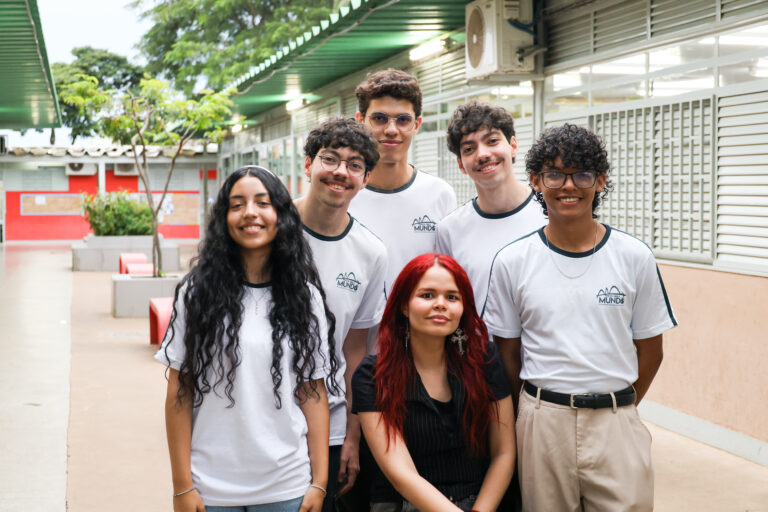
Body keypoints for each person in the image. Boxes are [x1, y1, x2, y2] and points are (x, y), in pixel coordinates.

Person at [484, 124, 678, 511]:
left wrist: (616, 407)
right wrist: (534, 415)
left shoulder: (633, 256)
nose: (568, 186)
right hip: (543, 422)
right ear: (536, 181)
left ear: (600, 181)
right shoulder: (512, 261)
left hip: (616, 421)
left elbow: (651, 352)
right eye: (555, 174)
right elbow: (507, 355)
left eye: (582, 174)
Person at [156, 166, 339, 512]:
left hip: (286, 486)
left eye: (262, 203)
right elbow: (180, 393)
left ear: (281, 215)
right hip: (211, 488)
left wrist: (319, 482)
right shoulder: (197, 294)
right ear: (223, 219)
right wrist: (182, 486)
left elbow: (313, 393)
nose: (250, 213)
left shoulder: (305, 297)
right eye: (237, 204)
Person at [352, 253, 515, 512]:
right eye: (427, 295)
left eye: (452, 297)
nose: (440, 304)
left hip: (479, 502)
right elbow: (401, 473)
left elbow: (504, 453)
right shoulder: (373, 375)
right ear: (404, 306)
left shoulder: (484, 359)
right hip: (403, 503)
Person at [294, 117, 388, 511]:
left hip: (328, 424)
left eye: (354, 165)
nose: (340, 172)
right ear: (308, 165)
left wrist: (352, 434)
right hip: (259, 417)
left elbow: (355, 352)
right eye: (330, 159)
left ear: (365, 179)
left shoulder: (370, 252)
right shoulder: (268, 230)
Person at [350, 69, 456, 352]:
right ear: (360, 121)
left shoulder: (439, 195)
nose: (391, 129)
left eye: (403, 120)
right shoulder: (345, 197)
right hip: (354, 354)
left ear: (417, 124)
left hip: (419, 356)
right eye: (379, 118)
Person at [435, 101, 546, 309]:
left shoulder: (550, 214)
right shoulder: (450, 230)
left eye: (492, 141)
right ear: (460, 164)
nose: (483, 154)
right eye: (469, 149)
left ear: (513, 146)